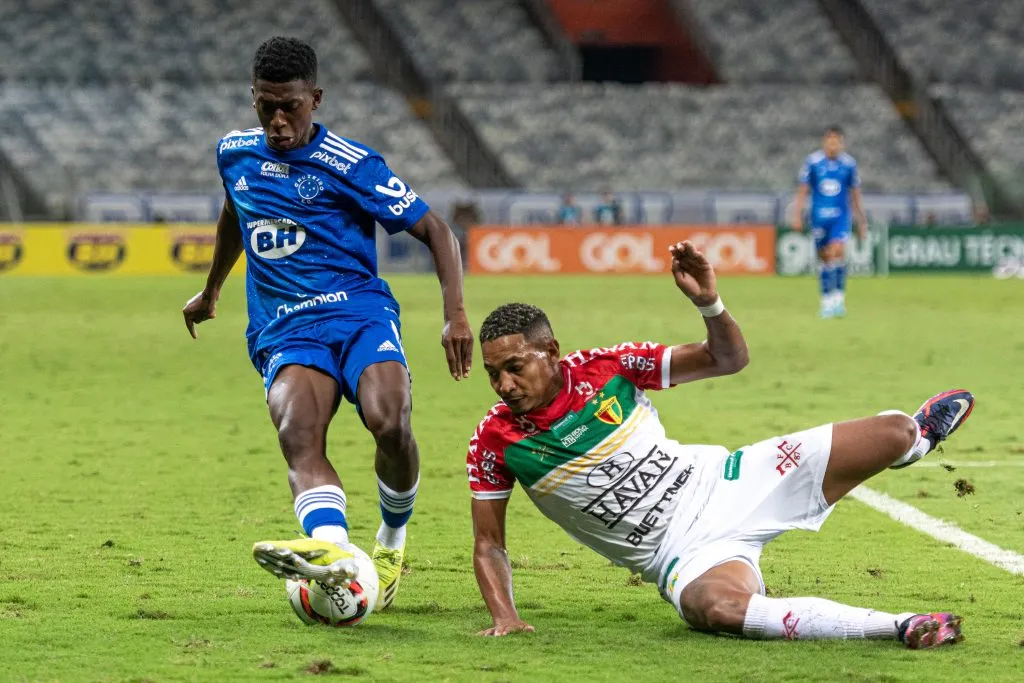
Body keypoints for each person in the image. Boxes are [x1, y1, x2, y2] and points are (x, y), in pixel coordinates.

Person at [466, 240, 972, 647]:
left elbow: (726, 359)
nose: (504, 385)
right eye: (493, 374)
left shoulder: (608, 368)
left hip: (731, 481)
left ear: (551, 351)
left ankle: (921, 440)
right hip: (680, 554)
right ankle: (901, 626)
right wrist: (505, 617)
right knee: (715, 610)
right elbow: (489, 543)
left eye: (515, 367)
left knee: (896, 432)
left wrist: (709, 303)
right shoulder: (495, 440)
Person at [182, 37, 473, 608]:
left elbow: (437, 230)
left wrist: (455, 316)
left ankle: (390, 541)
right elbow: (234, 213)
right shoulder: (234, 153)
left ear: (315, 99)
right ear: (253, 98)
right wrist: (212, 288)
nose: (278, 121)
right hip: (285, 326)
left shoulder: (352, 164)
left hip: (359, 314)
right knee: (297, 431)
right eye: (267, 106)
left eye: (290, 106)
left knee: (390, 423)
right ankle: (335, 552)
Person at [792, 126, 867, 318]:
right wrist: (797, 215)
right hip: (818, 217)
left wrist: (861, 222)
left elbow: (855, 195)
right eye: (830, 141)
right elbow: (803, 192)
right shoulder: (813, 162)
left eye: (836, 141)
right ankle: (826, 300)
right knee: (825, 258)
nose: (833, 145)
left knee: (837, 252)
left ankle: (838, 299)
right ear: (825, 142)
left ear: (841, 144)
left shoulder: (849, 165)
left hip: (840, 217)